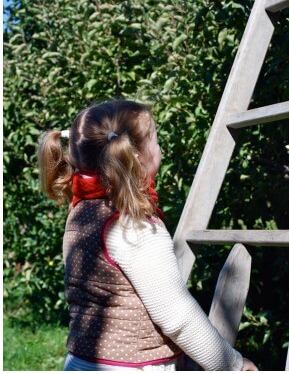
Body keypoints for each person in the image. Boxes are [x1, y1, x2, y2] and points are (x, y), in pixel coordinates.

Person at [38, 100, 257, 371]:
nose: (159, 148)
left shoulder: (82, 211)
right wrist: (232, 364)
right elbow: (177, 316)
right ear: (137, 156)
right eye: (154, 139)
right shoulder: (134, 227)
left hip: (81, 362)